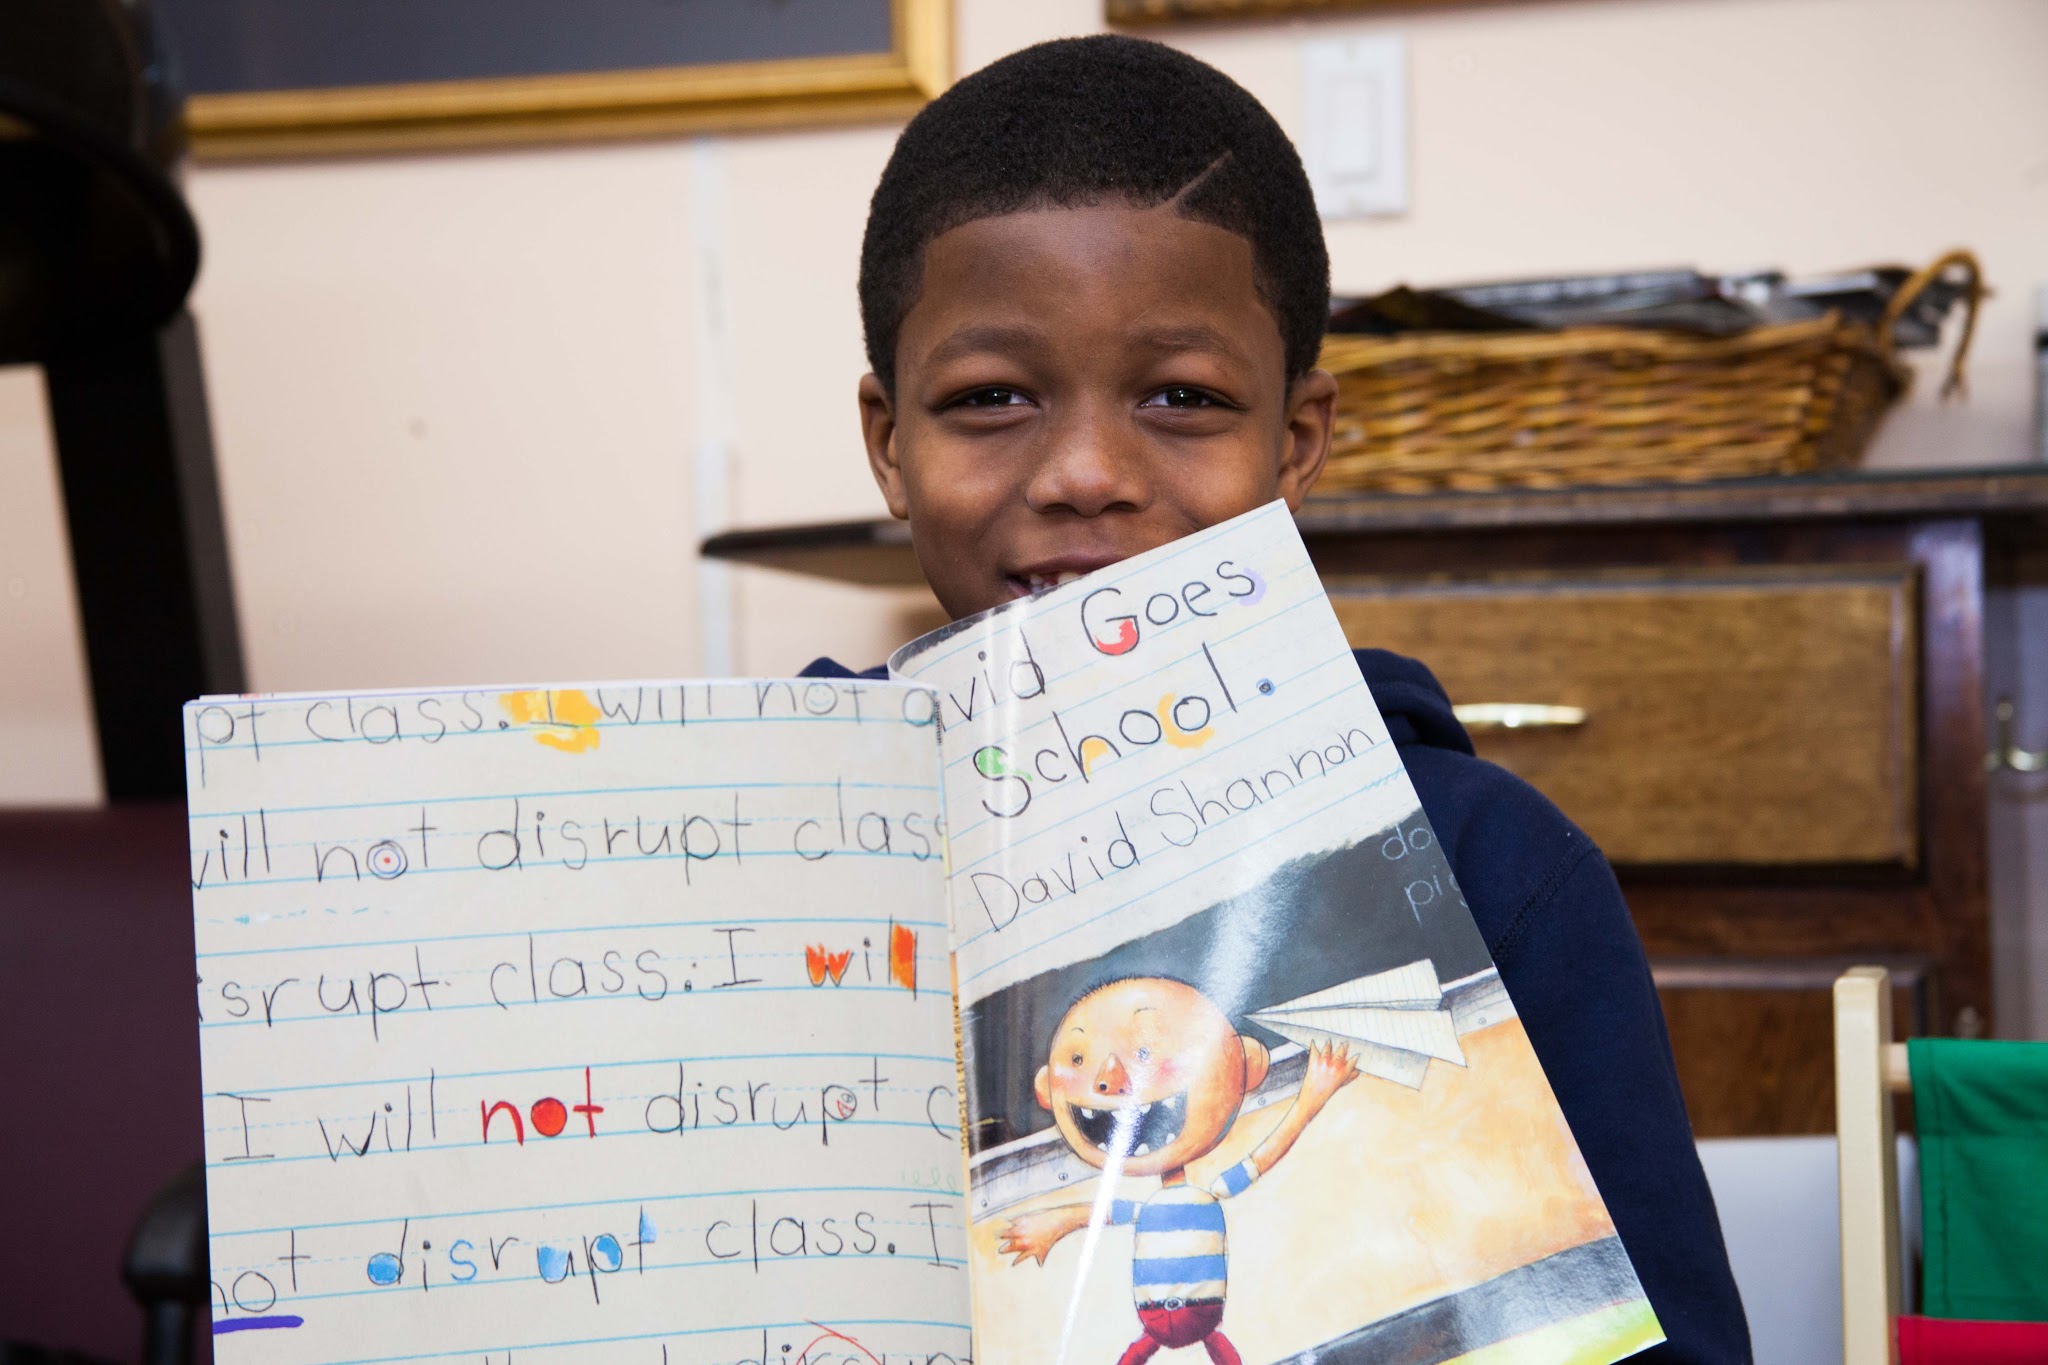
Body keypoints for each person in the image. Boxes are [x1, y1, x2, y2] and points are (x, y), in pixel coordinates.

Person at [800, 33, 1751, 1365]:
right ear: (889, 444)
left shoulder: (1498, 870)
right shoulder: (773, 872)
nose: (1084, 470)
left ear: (1294, 444)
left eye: (1182, 396)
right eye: (990, 397)